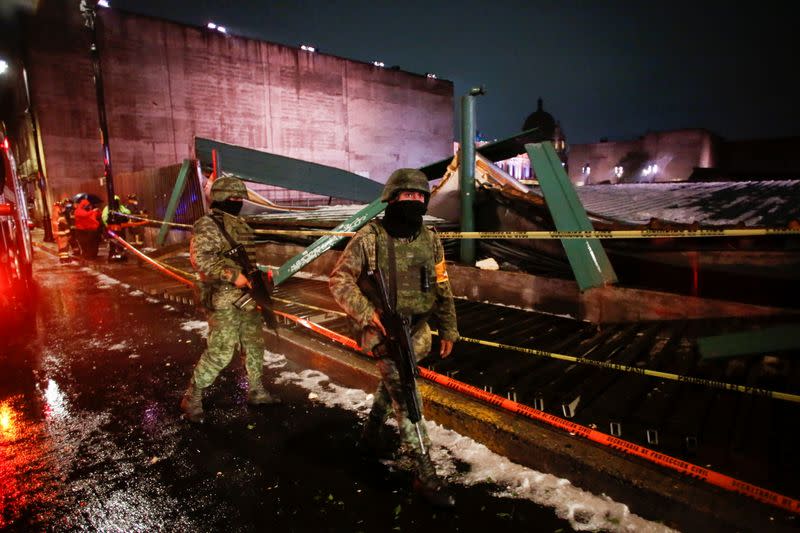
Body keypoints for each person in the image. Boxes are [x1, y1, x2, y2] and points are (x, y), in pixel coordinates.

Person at [329, 168, 459, 507]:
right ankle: (425, 473)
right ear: (392, 198)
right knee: (408, 400)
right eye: (407, 196)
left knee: (394, 388)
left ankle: (370, 435)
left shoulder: (430, 239)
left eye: (420, 197)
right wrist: (367, 312)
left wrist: (449, 328)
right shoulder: (369, 238)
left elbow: (442, 286)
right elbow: (339, 281)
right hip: (385, 334)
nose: (414, 202)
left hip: (417, 332)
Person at [180, 176, 280, 423]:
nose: (237, 202)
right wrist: (232, 275)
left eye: (240, 198)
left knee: (254, 344)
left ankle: (256, 390)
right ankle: (192, 396)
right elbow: (200, 258)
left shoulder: (240, 224)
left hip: (246, 296)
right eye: (233, 198)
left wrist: (259, 274)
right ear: (220, 198)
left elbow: (244, 260)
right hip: (222, 298)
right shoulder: (207, 224)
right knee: (222, 350)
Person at [102, 195, 131, 261]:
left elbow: (128, 212)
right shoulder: (108, 208)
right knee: (113, 242)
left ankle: (121, 255)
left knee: (121, 242)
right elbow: (104, 217)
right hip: (112, 229)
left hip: (120, 228)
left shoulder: (120, 207)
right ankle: (113, 255)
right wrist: (108, 226)